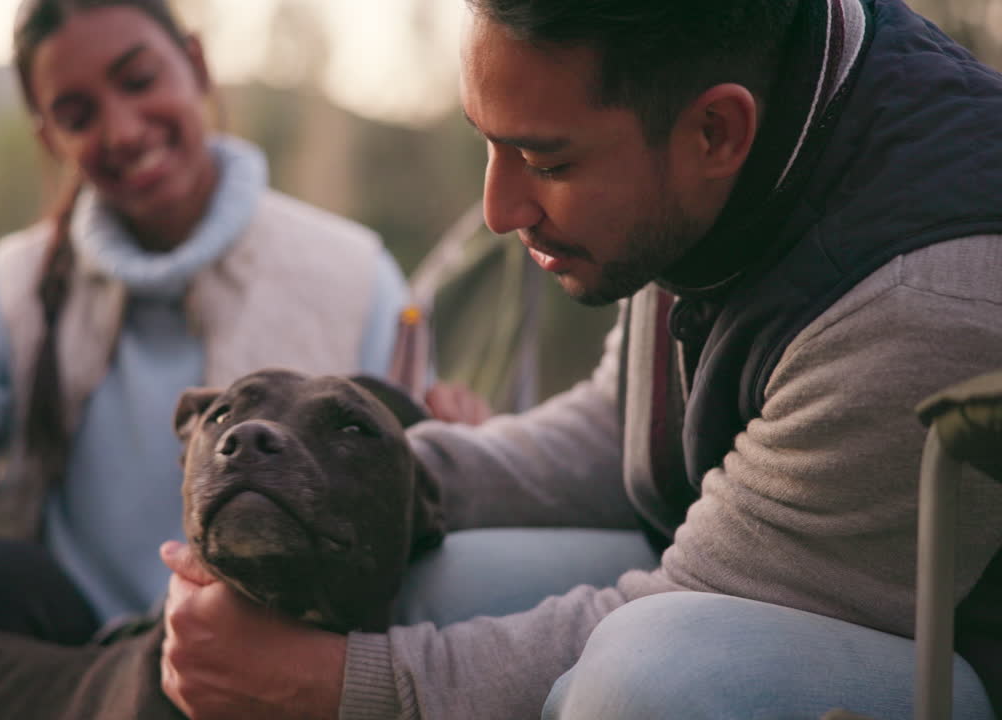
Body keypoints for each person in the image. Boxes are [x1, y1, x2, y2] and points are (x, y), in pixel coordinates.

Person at [156, 0, 1002, 718]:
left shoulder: (923, 297)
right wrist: (374, 475)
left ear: (716, 131)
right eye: (489, 144)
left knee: (643, 678)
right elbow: (622, 427)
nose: (498, 209)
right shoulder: (721, 130)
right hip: (746, 578)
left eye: (547, 161)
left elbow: (700, 602)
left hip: (950, 661)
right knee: (426, 577)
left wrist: (349, 688)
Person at [0, 0, 421, 718]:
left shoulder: (353, 277)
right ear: (49, 136)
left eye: (140, 79)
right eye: (79, 113)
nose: (121, 129)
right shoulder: (15, 293)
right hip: (69, 674)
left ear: (198, 66)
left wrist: (461, 431)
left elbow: (412, 490)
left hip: (274, 657)